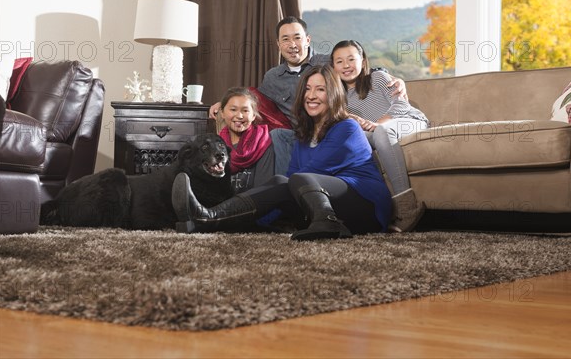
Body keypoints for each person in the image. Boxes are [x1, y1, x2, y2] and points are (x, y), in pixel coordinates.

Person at [173, 64, 392, 240]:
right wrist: (255, 218)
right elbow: (288, 184)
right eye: (307, 88)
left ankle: (329, 223)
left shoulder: (347, 128)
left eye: (320, 89)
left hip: (365, 205)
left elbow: (305, 176)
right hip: (321, 205)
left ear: (333, 94)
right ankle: (208, 217)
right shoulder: (303, 136)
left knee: (296, 179)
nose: (311, 95)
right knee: (282, 180)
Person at [208, 16, 406, 175]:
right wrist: (225, 103)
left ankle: (291, 196)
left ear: (308, 40)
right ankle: (277, 196)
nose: (292, 44)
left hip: (333, 130)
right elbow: (254, 99)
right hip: (301, 134)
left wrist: (391, 76)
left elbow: (354, 68)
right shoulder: (273, 78)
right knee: (274, 135)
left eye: (297, 37)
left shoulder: (327, 62)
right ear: (278, 44)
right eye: (285, 39)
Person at [331, 40, 430, 232]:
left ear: (363, 60)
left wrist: (378, 124)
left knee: (382, 132)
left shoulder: (378, 77)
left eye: (351, 59)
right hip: (376, 133)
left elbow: (401, 105)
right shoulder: (339, 97)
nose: (346, 66)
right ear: (333, 66)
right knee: (353, 141)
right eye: (339, 61)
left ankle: (407, 208)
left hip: (408, 121)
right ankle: (374, 209)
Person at [217, 87, 274, 193]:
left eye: (245, 110)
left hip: (252, 204)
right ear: (222, 113)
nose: (239, 116)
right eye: (233, 110)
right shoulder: (216, 145)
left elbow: (262, 189)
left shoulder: (263, 142)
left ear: (253, 116)